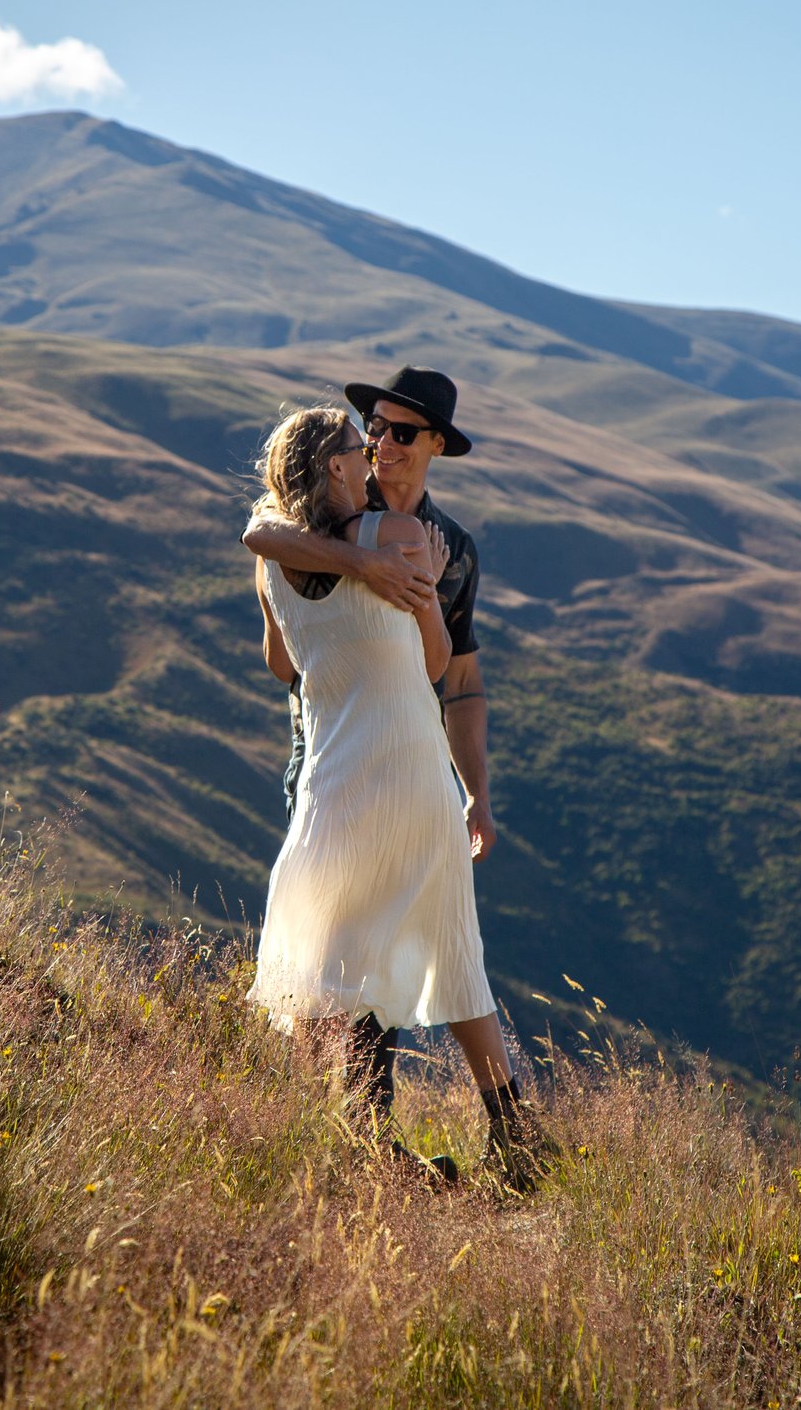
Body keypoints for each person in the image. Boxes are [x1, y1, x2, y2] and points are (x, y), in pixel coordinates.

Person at [242, 399, 548, 1190]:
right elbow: (435, 660)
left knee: (327, 960)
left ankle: (365, 1141)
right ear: (340, 467)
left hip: (332, 779)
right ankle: (510, 1135)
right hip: (410, 775)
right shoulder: (406, 538)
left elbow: (282, 665)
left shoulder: (271, 559)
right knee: (450, 947)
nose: (373, 446)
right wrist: (406, 580)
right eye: (360, 439)